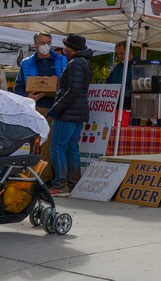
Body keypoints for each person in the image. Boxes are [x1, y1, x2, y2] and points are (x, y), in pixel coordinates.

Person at [14, 31, 68, 184]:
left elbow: (66, 86)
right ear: (35, 44)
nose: (45, 45)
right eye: (42, 42)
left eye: (48, 42)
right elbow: (18, 87)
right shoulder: (26, 63)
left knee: (47, 146)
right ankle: (28, 176)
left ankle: (42, 179)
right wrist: (28, 97)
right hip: (33, 109)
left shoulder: (61, 60)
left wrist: (55, 90)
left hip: (53, 108)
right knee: (30, 144)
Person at [47, 34, 93, 197]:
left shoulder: (74, 64)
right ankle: (74, 183)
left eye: (67, 47)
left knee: (58, 146)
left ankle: (60, 184)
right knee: (72, 147)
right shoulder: (85, 63)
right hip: (79, 112)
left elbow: (72, 90)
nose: (64, 50)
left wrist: (56, 108)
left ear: (74, 49)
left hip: (68, 113)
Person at [105, 40, 140, 110]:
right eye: (117, 54)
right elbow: (108, 82)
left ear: (129, 51)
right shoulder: (117, 68)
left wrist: (121, 94)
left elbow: (137, 88)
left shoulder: (138, 66)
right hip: (115, 105)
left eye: (121, 53)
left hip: (130, 107)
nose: (119, 56)